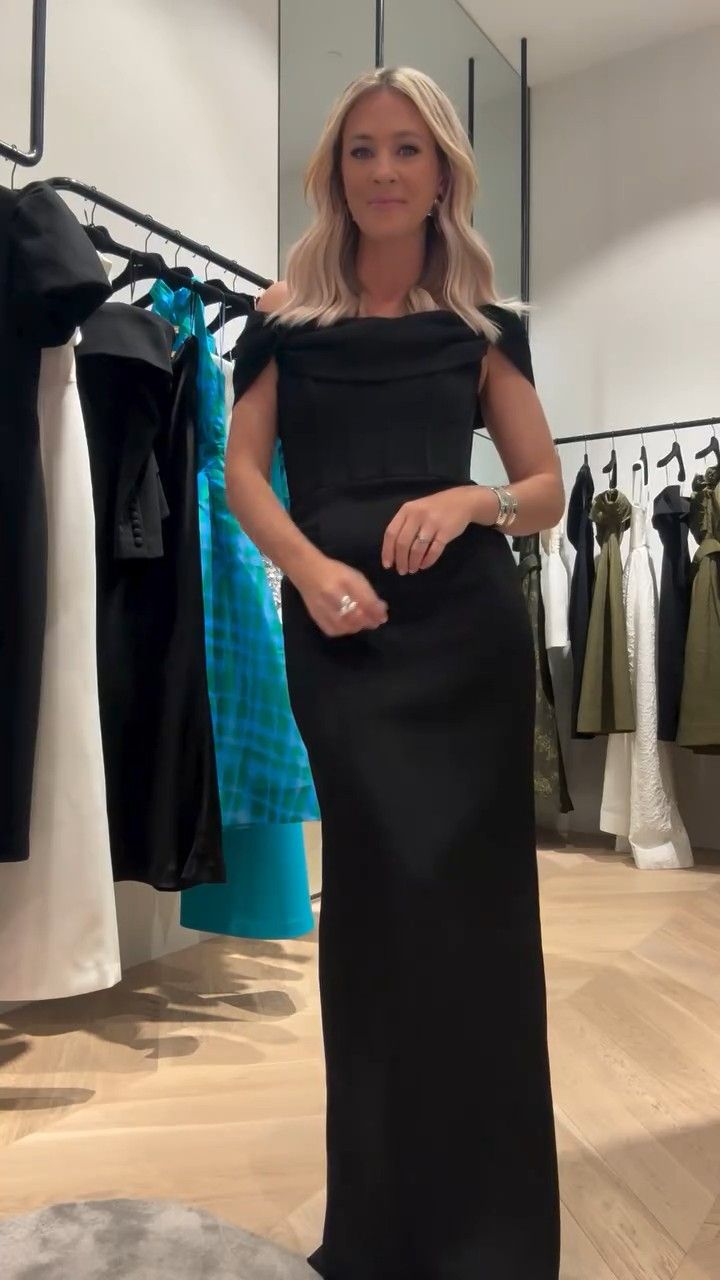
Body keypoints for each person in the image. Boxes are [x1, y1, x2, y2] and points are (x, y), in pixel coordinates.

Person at [227, 65, 564, 1280]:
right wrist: (311, 569)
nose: (382, 170)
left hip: (465, 642)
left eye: (406, 148)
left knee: (474, 921)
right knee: (373, 914)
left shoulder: (483, 325)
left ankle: (492, 1239)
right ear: (335, 171)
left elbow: (545, 489)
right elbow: (243, 474)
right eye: (362, 149)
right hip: (342, 644)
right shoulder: (283, 318)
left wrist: (470, 499)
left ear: (442, 172)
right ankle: (376, 1230)